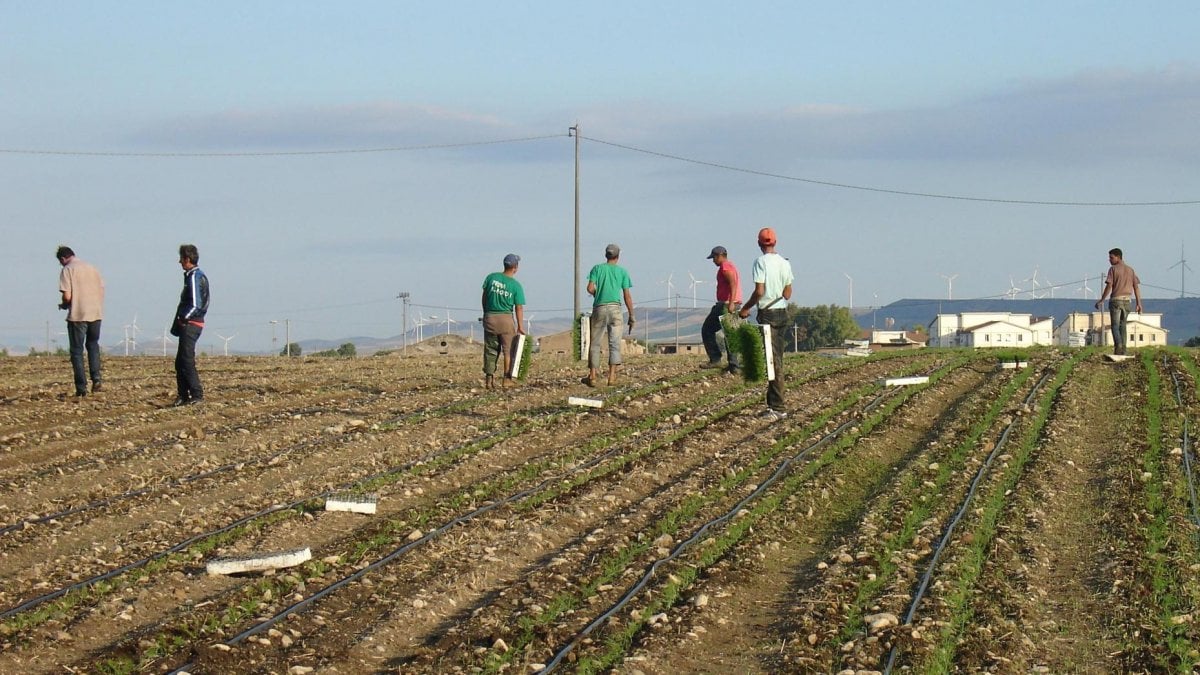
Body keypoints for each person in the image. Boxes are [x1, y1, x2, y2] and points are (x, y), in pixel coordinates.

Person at [739, 228, 794, 419]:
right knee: (777, 357)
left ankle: (778, 408)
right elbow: (788, 293)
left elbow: (759, 291)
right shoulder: (784, 263)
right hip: (782, 312)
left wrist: (746, 308)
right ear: (775, 242)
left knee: (773, 361)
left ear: (759, 243)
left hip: (767, 313)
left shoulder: (760, 262)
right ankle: (773, 404)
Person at [583, 243, 635, 387]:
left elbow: (590, 288)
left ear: (606, 255)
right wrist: (631, 315)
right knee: (614, 343)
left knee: (595, 342)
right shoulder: (622, 272)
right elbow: (627, 296)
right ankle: (612, 377)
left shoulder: (597, 269)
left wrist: (597, 295)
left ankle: (592, 376)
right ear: (618, 256)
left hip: (599, 307)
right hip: (615, 309)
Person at [56, 246, 105, 397]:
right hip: (96, 313)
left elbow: (67, 297)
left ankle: (81, 387)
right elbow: (102, 289)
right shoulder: (92, 268)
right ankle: (96, 379)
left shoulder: (68, 270)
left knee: (77, 352)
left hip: (78, 314)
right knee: (93, 346)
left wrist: (64, 305)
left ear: (63, 259)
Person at [481, 253, 526, 389]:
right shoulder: (516, 286)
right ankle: (507, 379)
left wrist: (486, 313)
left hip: (490, 317)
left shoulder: (491, 278)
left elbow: (484, 298)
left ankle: (489, 379)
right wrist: (520, 326)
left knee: (490, 350)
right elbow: (518, 307)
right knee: (508, 351)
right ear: (515, 267)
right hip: (506, 320)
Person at [172, 244, 209, 406]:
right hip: (191, 323)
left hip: (192, 323)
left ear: (187, 259)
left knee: (186, 360)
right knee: (180, 361)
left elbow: (196, 304)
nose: (179, 262)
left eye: (181, 258)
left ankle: (196, 394)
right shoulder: (192, 276)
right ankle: (183, 395)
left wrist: (184, 318)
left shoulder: (195, 277)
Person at [700, 245, 742, 374]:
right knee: (730, 334)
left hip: (726, 304)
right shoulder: (731, 265)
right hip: (732, 303)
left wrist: (730, 303)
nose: (713, 261)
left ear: (719, 256)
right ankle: (734, 365)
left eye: (714, 258)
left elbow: (733, 284)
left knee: (707, 329)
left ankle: (716, 359)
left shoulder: (725, 267)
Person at [1095, 247, 1143, 355]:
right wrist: (1139, 304)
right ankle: (1124, 349)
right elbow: (1136, 287)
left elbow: (1109, 285)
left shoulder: (1113, 269)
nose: (1110, 260)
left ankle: (1118, 346)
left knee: (1115, 326)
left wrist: (1102, 299)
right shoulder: (1131, 270)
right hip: (1127, 301)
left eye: (1111, 258)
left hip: (1116, 300)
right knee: (1123, 325)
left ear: (1118, 257)